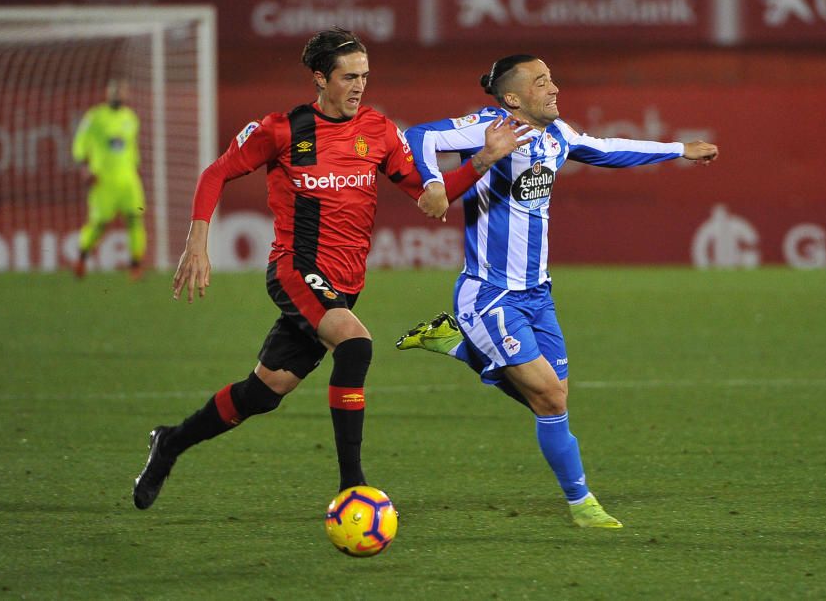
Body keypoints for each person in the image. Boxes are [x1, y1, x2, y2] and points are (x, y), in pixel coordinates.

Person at [132, 29, 531, 510]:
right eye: (349, 77)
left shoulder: (380, 132)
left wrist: (484, 159)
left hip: (345, 284)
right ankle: (352, 487)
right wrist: (197, 240)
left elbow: (431, 200)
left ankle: (170, 442)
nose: (359, 86)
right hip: (296, 270)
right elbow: (216, 172)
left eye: (364, 76)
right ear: (321, 78)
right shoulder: (282, 130)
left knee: (264, 392)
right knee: (356, 343)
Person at [396, 54, 718, 529]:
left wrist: (678, 150)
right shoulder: (488, 126)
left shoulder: (557, 135)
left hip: (538, 295)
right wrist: (433, 183)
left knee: (555, 397)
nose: (554, 88)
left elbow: (607, 148)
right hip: (489, 294)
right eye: (541, 81)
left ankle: (456, 346)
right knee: (549, 398)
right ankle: (582, 503)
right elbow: (419, 136)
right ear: (513, 97)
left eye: (552, 79)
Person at [72, 79, 147, 280]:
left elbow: (132, 147)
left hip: (128, 179)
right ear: (108, 93)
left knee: (135, 219)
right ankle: (81, 257)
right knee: (99, 223)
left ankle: (136, 265)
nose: (118, 94)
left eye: (121, 91)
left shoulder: (131, 118)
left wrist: (137, 166)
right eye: (115, 91)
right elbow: (80, 142)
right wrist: (83, 167)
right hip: (103, 180)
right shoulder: (95, 117)